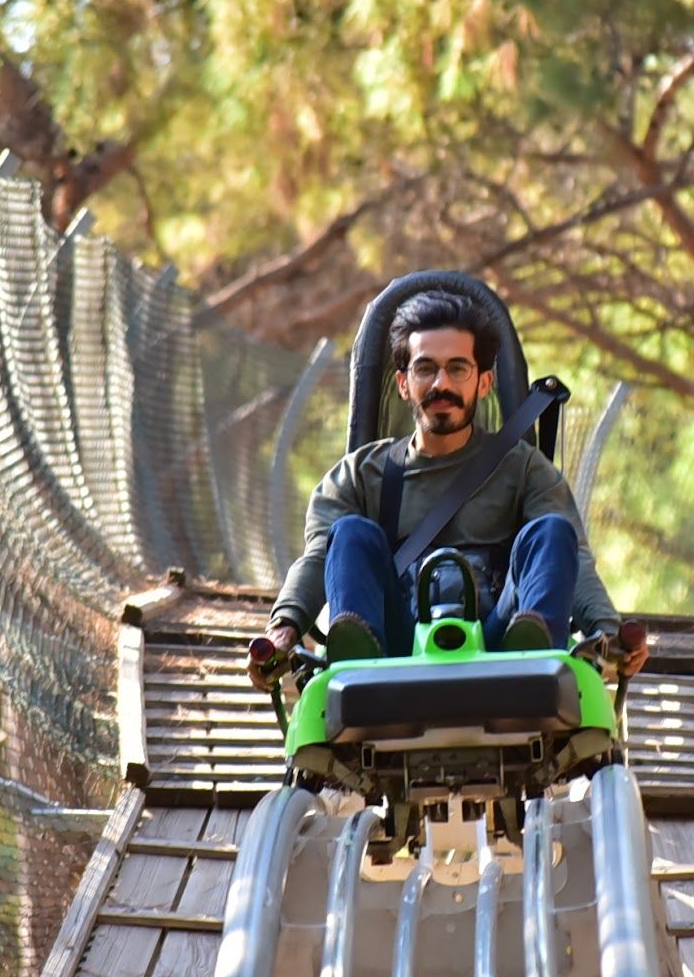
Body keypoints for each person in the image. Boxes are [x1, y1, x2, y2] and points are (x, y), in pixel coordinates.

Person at [248, 289, 648, 688]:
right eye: (426, 369)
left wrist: (607, 630)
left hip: (501, 641)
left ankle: (535, 656)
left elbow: (572, 556)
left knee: (553, 532)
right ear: (404, 384)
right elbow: (319, 557)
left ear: (484, 382)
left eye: (458, 369)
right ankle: (356, 667)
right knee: (349, 534)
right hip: (395, 647)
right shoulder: (357, 475)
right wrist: (282, 631)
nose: (442, 384)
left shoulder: (525, 470)